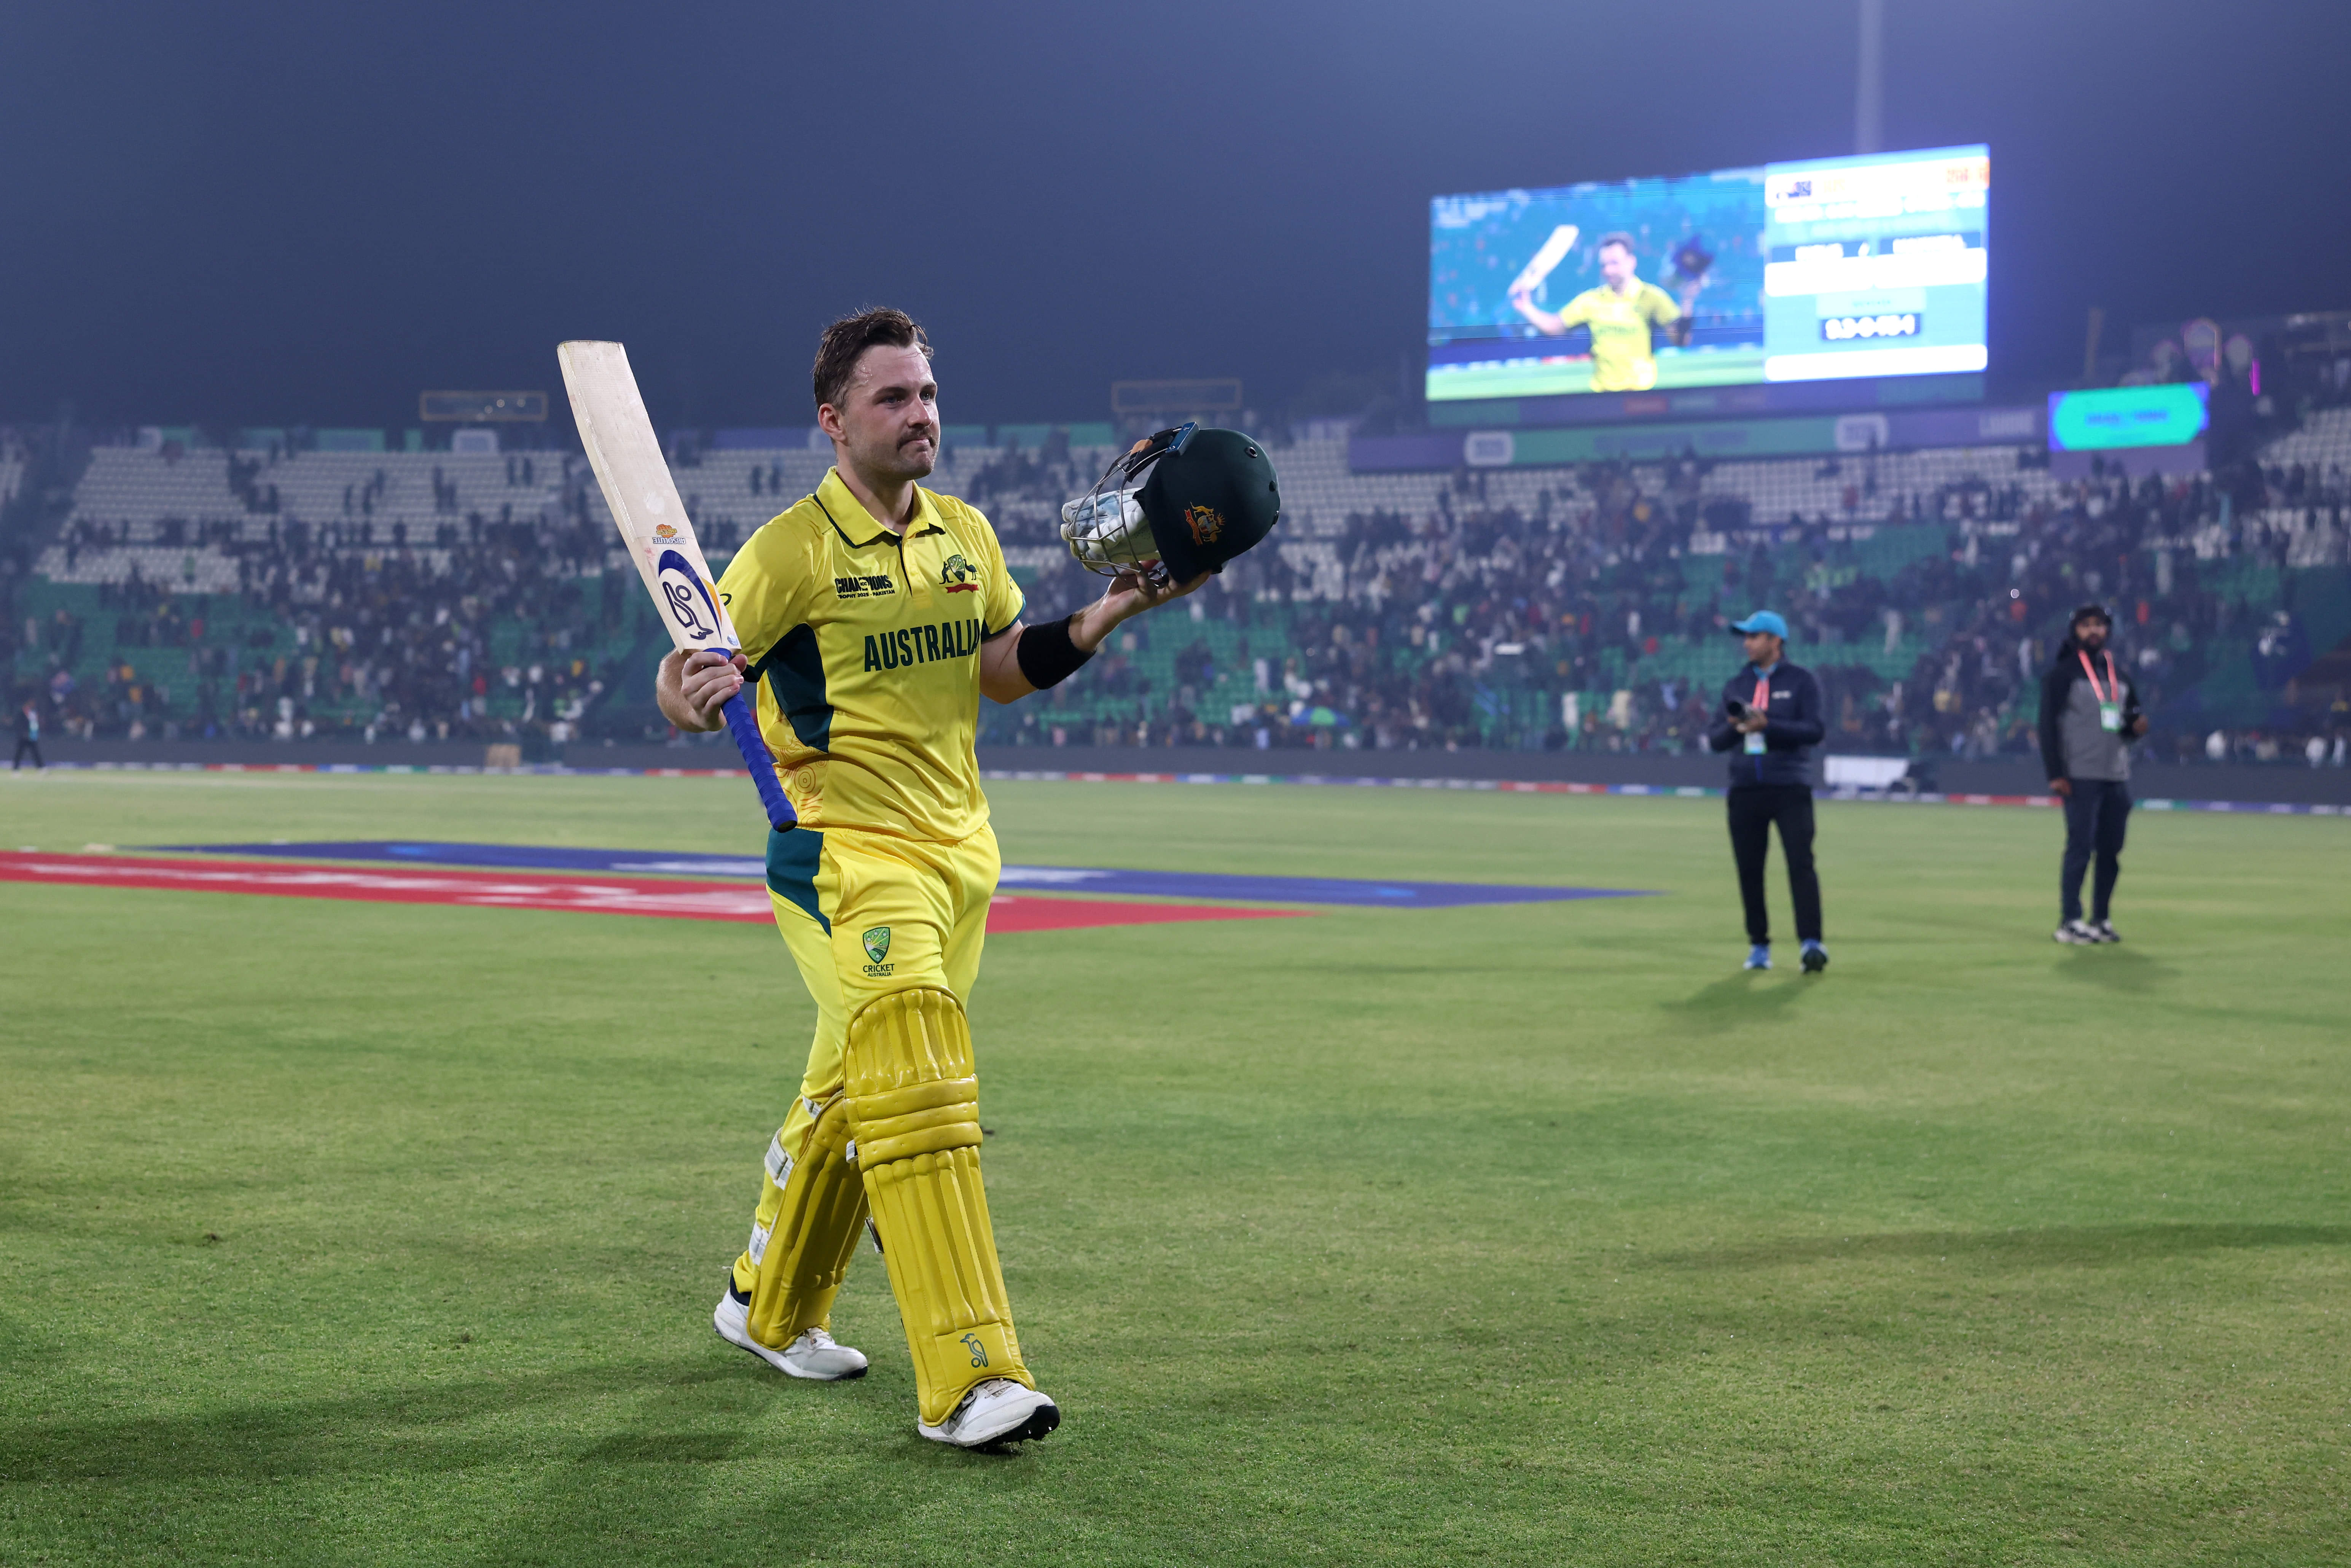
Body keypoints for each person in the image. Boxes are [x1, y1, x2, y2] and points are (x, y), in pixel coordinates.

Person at [656, 308, 1268, 1451]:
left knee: (860, 1090)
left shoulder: (966, 535)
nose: (920, 413)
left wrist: (1105, 614)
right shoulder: (791, 550)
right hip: (842, 851)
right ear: (834, 419)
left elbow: (995, 667)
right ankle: (971, 1374)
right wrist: (688, 690)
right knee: (921, 1080)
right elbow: (693, 663)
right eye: (892, 397)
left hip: (959, 857)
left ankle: (766, 1304)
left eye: (927, 393)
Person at [1705, 611, 1828, 973]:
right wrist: (1736, 727)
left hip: (1790, 786)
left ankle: (1811, 943)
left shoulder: (1802, 680)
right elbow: (1715, 740)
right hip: (1745, 788)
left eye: (1754, 636)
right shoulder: (1736, 685)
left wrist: (1768, 726)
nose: (1747, 643)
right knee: (1749, 869)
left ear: (1776, 641)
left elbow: (1815, 730)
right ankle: (1758, 945)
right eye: (1746, 637)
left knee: (1801, 864)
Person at [2038, 603, 2146, 944]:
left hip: (2116, 774)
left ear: (2108, 630)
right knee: (2080, 848)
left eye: (2099, 625)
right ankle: (2070, 920)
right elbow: (2046, 727)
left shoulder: (2120, 676)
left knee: (2111, 851)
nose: (2093, 631)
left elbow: (2126, 724)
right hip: (2079, 774)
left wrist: (2135, 728)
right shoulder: (2062, 675)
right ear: (2075, 631)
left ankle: (2101, 919)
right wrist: (2056, 773)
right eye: (2086, 625)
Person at [1506, 231, 1698, 393]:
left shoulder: (1652, 297)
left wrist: (1687, 302)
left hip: (1640, 396)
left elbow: (1680, 340)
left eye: (1614, 263)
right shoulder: (1591, 301)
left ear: (1631, 262)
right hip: (1603, 397)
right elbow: (1555, 326)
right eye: (1604, 265)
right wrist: (1526, 307)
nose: (1608, 270)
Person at [11, 699, 41, 770]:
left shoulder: (33, 713)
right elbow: (18, 724)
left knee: (35, 752)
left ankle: (41, 767)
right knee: (20, 753)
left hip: (32, 736)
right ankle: (15, 768)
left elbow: (34, 724)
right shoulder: (21, 713)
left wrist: (35, 733)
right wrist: (23, 733)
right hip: (23, 737)